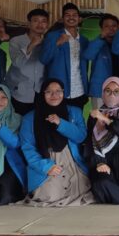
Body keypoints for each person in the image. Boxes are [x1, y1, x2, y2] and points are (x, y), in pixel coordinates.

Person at [19, 78, 94, 206]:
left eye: (58, 91)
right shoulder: (29, 118)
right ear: (42, 94)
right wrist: (46, 167)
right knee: (49, 196)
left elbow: (81, 137)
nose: (54, 95)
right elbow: (28, 147)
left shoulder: (74, 112)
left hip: (71, 161)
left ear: (63, 93)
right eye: (49, 92)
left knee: (81, 190)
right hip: (46, 161)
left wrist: (61, 123)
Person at [85, 77, 119, 204]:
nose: (112, 95)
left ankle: (111, 196)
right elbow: (90, 142)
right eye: (107, 91)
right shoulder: (94, 115)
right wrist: (100, 163)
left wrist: (106, 119)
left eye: (116, 91)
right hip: (102, 159)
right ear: (102, 94)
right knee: (100, 183)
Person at [39, 3, 89, 109]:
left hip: (80, 90)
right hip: (58, 91)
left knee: (77, 118)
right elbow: (44, 59)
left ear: (79, 19)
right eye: (67, 15)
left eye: (74, 15)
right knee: (56, 119)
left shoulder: (84, 40)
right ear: (62, 19)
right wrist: (58, 43)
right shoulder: (52, 36)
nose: (71, 18)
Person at [5, 8, 49, 115]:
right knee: (17, 122)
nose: (40, 24)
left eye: (43, 21)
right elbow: (17, 63)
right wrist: (31, 45)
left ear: (47, 25)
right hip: (18, 92)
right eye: (36, 20)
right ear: (29, 24)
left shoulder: (48, 43)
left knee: (37, 123)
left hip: (41, 92)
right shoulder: (16, 41)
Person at [84, 14, 119, 109]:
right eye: (107, 26)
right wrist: (101, 37)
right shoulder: (96, 43)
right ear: (101, 28)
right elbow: (88, 55)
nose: (111, 28)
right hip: (99, 90)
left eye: (114, 26)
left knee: (117, 117)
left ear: (118, 28)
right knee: (98, 117)